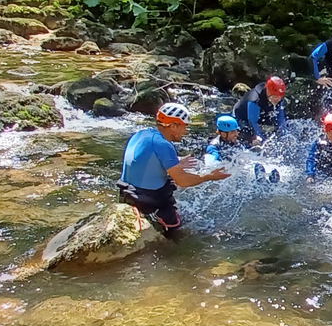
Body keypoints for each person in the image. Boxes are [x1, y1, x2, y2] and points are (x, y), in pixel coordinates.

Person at [117, 103, 231, 233]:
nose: (185, 131)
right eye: (184, 126)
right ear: (173, 126)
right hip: (147, 202)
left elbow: (143, 161)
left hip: (126, 193)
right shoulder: (163, 145)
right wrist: (209, 176)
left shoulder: (142, 134)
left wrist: (177, 162)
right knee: (190, 232)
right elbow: (182, 181)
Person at [231, 76, 287, 146]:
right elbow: (252, 122)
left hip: (260, 113)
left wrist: (284, 136)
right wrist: (262, 141)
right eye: (276, 97)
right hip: (242, 116)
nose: (278, 100)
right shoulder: (254, 99)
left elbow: (280, 119)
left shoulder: (278, 98)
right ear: (268, 92)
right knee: (250, 138)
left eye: (280, 97)